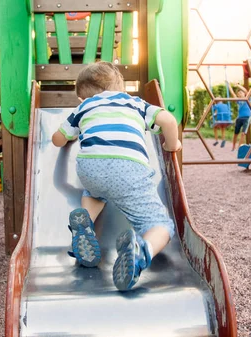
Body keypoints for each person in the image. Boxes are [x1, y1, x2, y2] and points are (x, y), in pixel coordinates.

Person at [52, 61, 182, 291]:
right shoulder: (135, 103)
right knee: (160, 224)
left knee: (93, 194)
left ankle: (85, 225)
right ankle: (142, 252)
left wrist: (72, 134)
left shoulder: (84, 107)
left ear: (83, 96)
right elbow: (169, 121)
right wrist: (172, 144)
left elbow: (57, 139)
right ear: (120, 88)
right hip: (128, 169)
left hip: (90, 168)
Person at [228, 82, 251, 151]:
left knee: (243, 134)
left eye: (241, 92)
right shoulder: (238, 101)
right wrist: (229, 86)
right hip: (239, 118)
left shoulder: (247, 98)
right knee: (236, 134)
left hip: (246, 118)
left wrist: (238, 85)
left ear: (244, 94)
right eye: (239, 93)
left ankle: (239, 148)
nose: (240, 94)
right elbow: (232, 93)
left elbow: (246, 91)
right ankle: (233, 146)